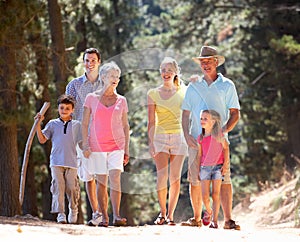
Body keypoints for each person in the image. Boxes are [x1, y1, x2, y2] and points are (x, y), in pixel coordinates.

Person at [181, 45, 240, 229]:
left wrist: (223, 132)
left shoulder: (227, 85)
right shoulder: (193, 86)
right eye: (202, 62)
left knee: (224, 179)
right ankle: (197, 218)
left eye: (209, 61)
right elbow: (185, 114)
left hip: (219, 143)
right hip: (196, 142)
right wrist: (186, 134)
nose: (205, 64)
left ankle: (228, 220)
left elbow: (235, 114)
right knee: (195, 179)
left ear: (216, 62)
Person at [81, 61, 130, 227]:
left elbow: (125, 125)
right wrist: (86, 145)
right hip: (97, 146)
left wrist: (127, 149)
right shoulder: (91, 98)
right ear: (103, 77)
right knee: (102, 181)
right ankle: (104, 217)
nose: (115, 79)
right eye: (111, 76)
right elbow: (85, 123)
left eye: (117, 76)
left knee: (115, 178)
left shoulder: (122, 100)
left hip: (117, 146)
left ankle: (116, 215)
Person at [147, 57, 188, 226]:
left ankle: (171, 215)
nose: (166, 73)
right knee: (162, 176)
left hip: (179, 137)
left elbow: (187, 118)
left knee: (175, 178)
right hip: (160, 138)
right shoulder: (153, 93)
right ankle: (162, 213)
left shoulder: (184, 92)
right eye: (163, 70)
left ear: (175, 72)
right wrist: (150, 142)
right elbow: (151, 121)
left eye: (169, 70)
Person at [65, 47, 102, 226]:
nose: (90, 63)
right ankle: (89, 212)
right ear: (84, 62)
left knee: (101, 175)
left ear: (99, 62)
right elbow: (67, 111)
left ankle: (101, 214)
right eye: (87, 60)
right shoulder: (74, 85)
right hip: (80, 136)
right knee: (86, 176)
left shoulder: (105, 84)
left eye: (93, 60)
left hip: (102, 134)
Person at [34, 94, 82, 224]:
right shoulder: (52, 124)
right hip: (56, 161)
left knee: (72, 187)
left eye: (67, 108)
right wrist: (38, 125)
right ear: (58, 109)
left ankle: (73, 208)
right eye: (62, 108)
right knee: (58, 187)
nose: (64, 110)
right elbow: (42, 139)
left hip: (72, 162)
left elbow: (82, 144)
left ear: (72, 110)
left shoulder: (77, 125)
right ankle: (61, 214)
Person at [198, 110, 229, 229]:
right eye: (201, 118)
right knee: (205, 196)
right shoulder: (200, 138)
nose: (202, 121)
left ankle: (214, 221)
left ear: (213, 121)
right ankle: (209, 211)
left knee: (216, 194)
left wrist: (225, 164)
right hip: (204, 168)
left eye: (205, 118)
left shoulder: (219, 135)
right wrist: (197, 170)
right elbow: (199, 155)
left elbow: (226, 148)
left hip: (218, 168)